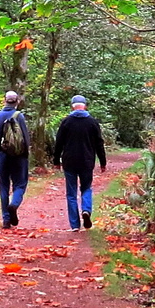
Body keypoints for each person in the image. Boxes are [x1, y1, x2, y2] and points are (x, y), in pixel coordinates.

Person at [53, 94, 108, 230]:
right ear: (85, 106)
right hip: (87, 161)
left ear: (72, 106)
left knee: (71, 193)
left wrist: (56, 160)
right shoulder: (92, 122)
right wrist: (102, 162)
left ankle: (75, 225)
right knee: (86, 188)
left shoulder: (66, 122)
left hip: (69, 161)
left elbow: (58, 143)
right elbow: (99, 144)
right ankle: (86, 210)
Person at [0, 90, 31, 227]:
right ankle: (14, 204)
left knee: (4, 186)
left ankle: (6, 219)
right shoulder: (19, 116)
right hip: (19, 157)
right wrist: (25, 154)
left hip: (2, 156)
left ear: (4, 100)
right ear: (17, 101)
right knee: (20, 184)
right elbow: (26, 138)